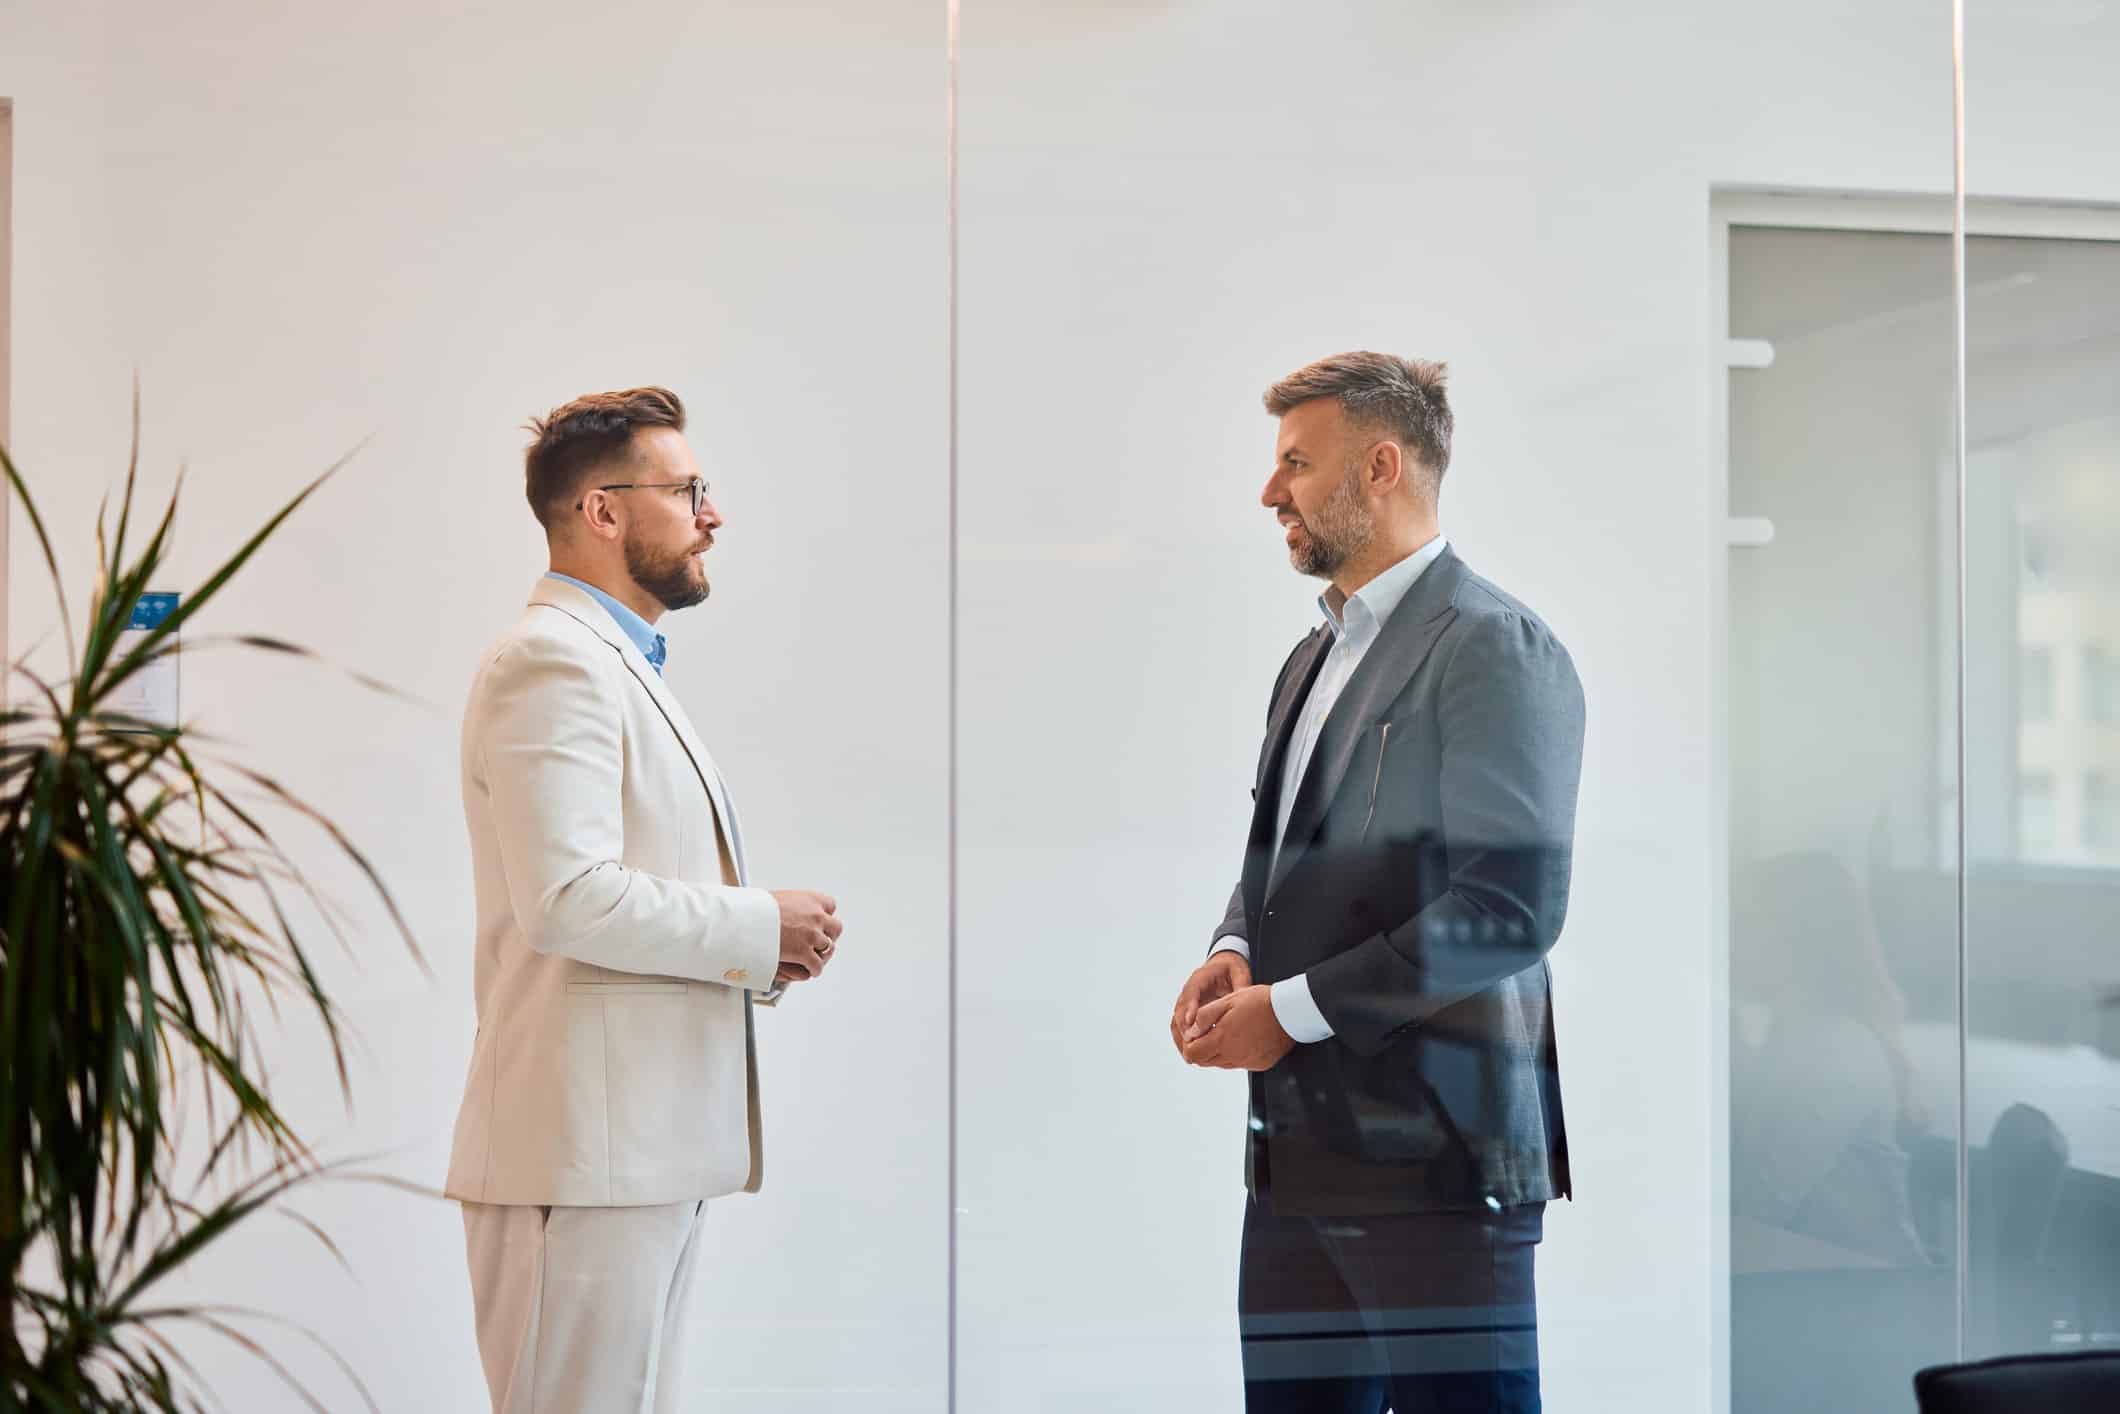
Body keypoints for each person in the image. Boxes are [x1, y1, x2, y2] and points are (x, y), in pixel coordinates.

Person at [1171, 352, 1585, 1412]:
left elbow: (1507, 912)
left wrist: (1286, 1012)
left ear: (1382, 468)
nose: (1270, 492)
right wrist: (1235, 950)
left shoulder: (1493, 645)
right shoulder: (1309, 659)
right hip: (1296, 1157)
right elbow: (1281, 855)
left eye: (1296, 463)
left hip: (1439, 1166)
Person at [444, 386, 845, 1413]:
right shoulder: (551, 659)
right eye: (687, 491)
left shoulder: (613, 662)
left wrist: (765, 950)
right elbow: (568, 898)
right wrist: (760, 925)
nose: (713, 516)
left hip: (629, 1161)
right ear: (603, 512)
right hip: (582, 1163)